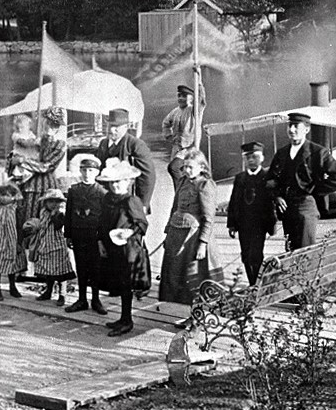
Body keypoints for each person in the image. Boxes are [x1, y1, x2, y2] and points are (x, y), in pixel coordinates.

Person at [266, 111, 336, 251]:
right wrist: (277, 196)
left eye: (296, 126)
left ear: (307, 129)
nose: (291, 130)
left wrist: (314, 191)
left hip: (306, 207)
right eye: (290, 125)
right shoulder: (282, 153)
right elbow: (270, 180)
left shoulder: (318, 152)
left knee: (305, 251)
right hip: (286, 209)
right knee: (291, 251)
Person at [97, 159, 149, 336]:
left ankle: (127, 320)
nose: (114, 186)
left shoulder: (131, 200)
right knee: (117, 281)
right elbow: (101, 222)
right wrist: (101, 242)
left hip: (128, 248)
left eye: (118, 182)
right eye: (111, 182)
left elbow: (142, 224)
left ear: (128, 182)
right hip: (111, 246)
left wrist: (129, 232)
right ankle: (122, 318)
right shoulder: (107, 199)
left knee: (126, 283)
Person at [158, 148, 216, 303]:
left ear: (202, 167)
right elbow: (175, 206)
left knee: (194, 276)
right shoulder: (183, 181)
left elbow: (208, 218)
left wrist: (203, 243)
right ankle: (188, 315)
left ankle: (196, 317)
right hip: (177, 234)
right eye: (185, 167)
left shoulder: (204, 185)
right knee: (176, 274)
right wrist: (167, 231)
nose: (187, 170)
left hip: (193, 238)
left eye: (191, 167)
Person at [227, 141, 276, 285]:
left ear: (262, 158)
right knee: (245, 256)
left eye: (254, 157)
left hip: (259, 225)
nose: (251, 160)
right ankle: (252, 283)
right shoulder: (240, 178)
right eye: (247, 157)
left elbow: (271, 202)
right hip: (243, 225)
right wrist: (231, 225)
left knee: (255, 255)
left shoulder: (267, 176)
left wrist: (272, 224)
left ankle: (257, 284)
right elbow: (234, 202)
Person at [64, 154, 107, 315]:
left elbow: (104, 219)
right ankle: (82, 299)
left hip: (94, 237)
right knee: (81, 267)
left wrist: (102, 239)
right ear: (80, 171)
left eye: (91, 170)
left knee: (95, 269)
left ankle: (95, 299)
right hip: (78, 234)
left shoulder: (102, 192)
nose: (87, 173)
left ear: (96, 172)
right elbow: (69, 214)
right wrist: (68, 234)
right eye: (84, 170)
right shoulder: (74, 190)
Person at [95, 108, 154, 213]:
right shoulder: (103, 144)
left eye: (116, 127)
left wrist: (143, 203)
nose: (112, 130)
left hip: (126, 199)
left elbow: (147, 176)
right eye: (110, 126)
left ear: (126, 127)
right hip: (105, 198)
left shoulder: (135, 145)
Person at [17, 106, 67, 223]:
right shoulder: (37, 140)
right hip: (29, 186)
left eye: (54, 124)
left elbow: (46, 167)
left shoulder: (60, 144)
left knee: (47, 221)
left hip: (47, 188)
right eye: (48, 122)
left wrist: (22, 161)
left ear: (58, 127)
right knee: (27, 222)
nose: (50, 126)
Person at [28, 188, 74, 305]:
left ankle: (62, 294)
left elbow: (59, 225)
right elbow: (42, 226)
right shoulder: (43, 212)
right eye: (51, 201)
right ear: (45, 203)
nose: (53, 204)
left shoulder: (61, 213)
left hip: (58, 245)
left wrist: (55, 214)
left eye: (56, 201)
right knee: (48, 269)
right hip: (45, 244)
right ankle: (48, 291)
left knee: (60, 270)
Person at [162, 84, 201, 189]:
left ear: (192, 98)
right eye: (179, 95)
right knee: (179, 174)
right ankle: (179, 199)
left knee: (173, 168)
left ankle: (184, 191)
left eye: (184, 96)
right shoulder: (175, 111)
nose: (181, 98)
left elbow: (201, 101)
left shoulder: (194, 111)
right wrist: (169, 136)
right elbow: (165, 123)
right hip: (176, 149)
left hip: (189, 149)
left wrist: (199, 81)